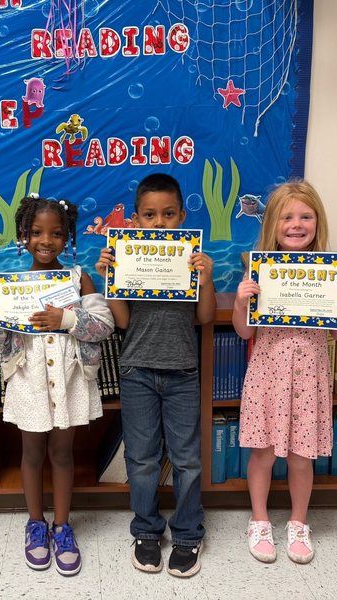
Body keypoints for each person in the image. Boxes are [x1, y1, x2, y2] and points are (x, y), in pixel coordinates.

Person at [231, 180, 337, 564]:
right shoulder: (258, 271)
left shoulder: (335, 273)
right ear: (272, 223)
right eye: (287, 217)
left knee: (301, 456)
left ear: (317, 222)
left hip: (309, 379)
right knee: (261, 452)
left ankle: (298, 522)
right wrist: (242, 302)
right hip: (266, 375)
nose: (296, 224)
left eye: (305, 216)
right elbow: (244, 331)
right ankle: (259, 519)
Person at [0, 195, 114, 576]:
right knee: (33, 452)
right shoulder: (9, 285)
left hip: (69, 380)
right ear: (23, 235)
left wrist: (66, 318)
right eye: (36, 232)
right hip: (29, 381)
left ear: (67, 236)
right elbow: (1, 342)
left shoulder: (78, 277)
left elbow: (103, 327)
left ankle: (62, 526)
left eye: (56, 233)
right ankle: (36, 525)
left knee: (63, 453)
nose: (46, 240)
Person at [95, 173, 217, 578]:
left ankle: (187, 534)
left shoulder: (189, 258)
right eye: (149, 215)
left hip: (182, 371)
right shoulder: (128, 257)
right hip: (138, 371)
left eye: (168, 214)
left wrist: (207, 280)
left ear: (182, 216)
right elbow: (124, 322)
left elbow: (204, 318)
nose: (159, 222)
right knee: (142, 460)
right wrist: (111, 280)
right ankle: (146, 530)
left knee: (187, 461)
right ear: (135, 219)